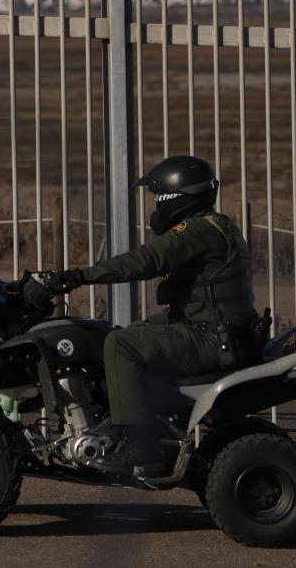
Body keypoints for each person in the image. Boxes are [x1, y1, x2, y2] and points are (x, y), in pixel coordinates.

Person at [51, 155, 260, 466]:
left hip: (212, 338)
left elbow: (146, 260)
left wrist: (79, 276)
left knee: (120, 345)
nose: (156, 208)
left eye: (159, 199)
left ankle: (136, 441)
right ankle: (134, 420)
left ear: (176, 197)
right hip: (217, 328)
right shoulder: (220, 224)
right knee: (129, 332)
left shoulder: (196, 230)